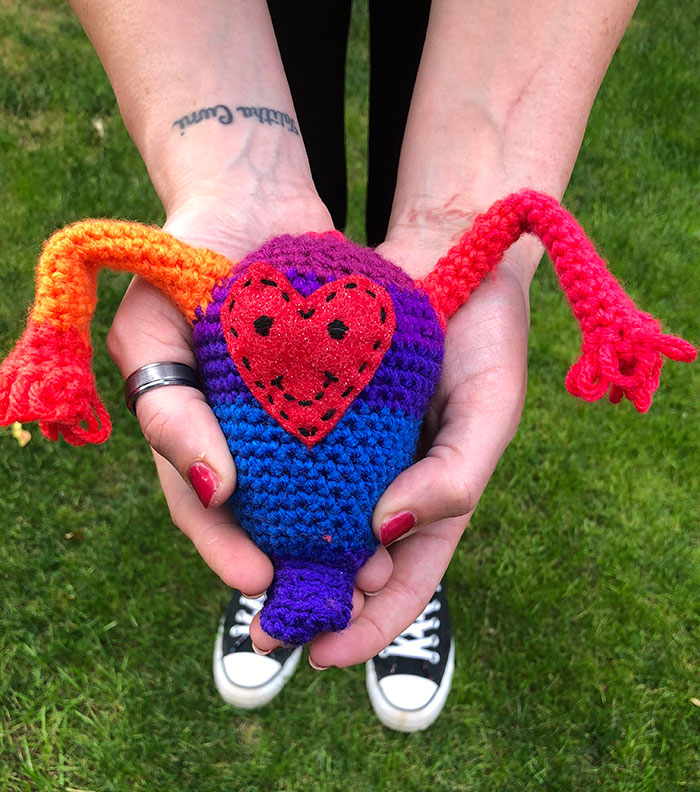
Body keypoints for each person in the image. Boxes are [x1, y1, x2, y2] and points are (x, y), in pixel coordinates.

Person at [67, 0, 639, 731]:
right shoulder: (398, 304)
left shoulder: (234, 289)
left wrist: (471, 202)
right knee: (294, 39)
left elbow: (85, 246)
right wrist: (223, 176)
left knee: (416, 65)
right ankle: (300, 554)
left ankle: (377, 536)